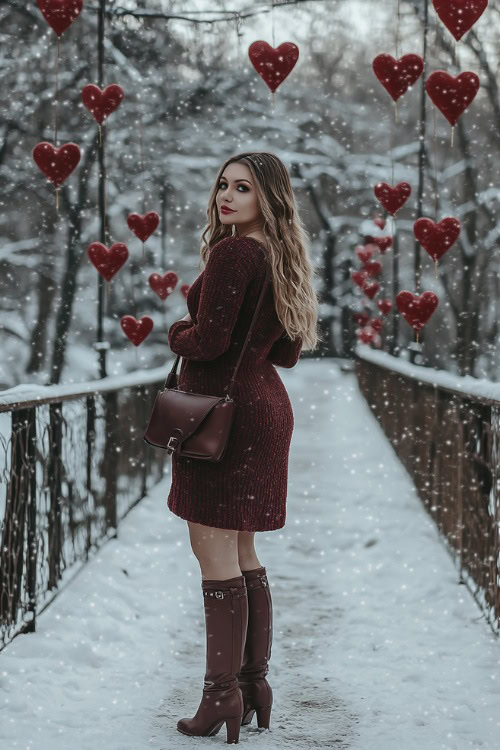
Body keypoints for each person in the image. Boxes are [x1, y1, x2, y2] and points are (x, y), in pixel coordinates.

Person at [166, 152, 323, 743]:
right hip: (261, 408)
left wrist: (177, 333)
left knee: (214, 556)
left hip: (221, 418)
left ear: (267, 198)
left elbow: (205, 342)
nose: (226, 196)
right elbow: (284, 352)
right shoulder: (277, 253)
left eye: (243, 189)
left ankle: (220, 698)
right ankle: (254, 685)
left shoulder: (234, 252)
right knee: (243, 551)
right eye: (223, 184)